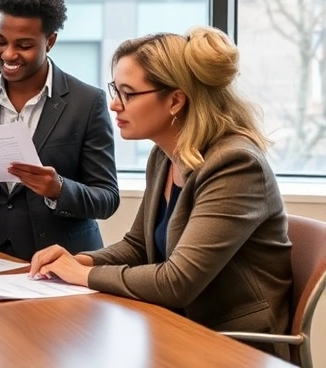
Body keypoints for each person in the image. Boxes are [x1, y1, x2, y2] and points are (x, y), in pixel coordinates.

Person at [29, 27, 292, 358]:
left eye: (128, 93)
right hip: (175, 327)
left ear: (175, 100)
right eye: (115, 90)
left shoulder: (235, 164)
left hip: (233, 345)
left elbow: (177, 282)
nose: (113, 105)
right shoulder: (164, 156)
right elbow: (138, 246)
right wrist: (78, 260)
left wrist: (83, 274)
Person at [0, 0, 118, 261]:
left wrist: (58, 188)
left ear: (50, 41)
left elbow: (107, 198)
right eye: (0, 41)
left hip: (64, 260)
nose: (8, 54)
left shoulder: (87, 102)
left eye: (24, 45)